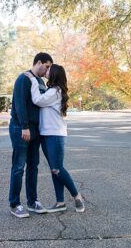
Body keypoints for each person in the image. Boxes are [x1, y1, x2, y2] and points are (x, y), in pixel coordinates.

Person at [27, 64, 86, 212]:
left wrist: (33, 81)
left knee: (57, 168)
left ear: (54, 74)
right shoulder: (51, 90)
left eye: (49, 69)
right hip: (46, 133)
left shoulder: (55, 91)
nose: (46, 71)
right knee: (54, 169)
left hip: (55, 134)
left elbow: (37, 100)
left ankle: (76, 195)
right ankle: (60, 202)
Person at [9, 52, 53, 218]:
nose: (47, 70)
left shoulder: (40, 81)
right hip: (21, 128)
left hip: (36, 130)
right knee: (19, 167)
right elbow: (19, 104)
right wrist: (24, 127)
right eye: (47, 66)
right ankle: (14, 203)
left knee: (33, 166)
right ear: (39, 62)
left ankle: (32, 201)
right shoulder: (23, 79)